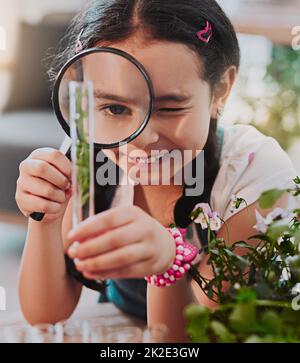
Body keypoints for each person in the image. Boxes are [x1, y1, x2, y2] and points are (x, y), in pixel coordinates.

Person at [16, 0, 297, 342]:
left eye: (169, 107)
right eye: (115, 107)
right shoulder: (89, 154)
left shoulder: (252, 174)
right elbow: (46, 315)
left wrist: (168, 263)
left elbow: (196, 337)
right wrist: (44, 218)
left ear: (221, 90)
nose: (144, 137)